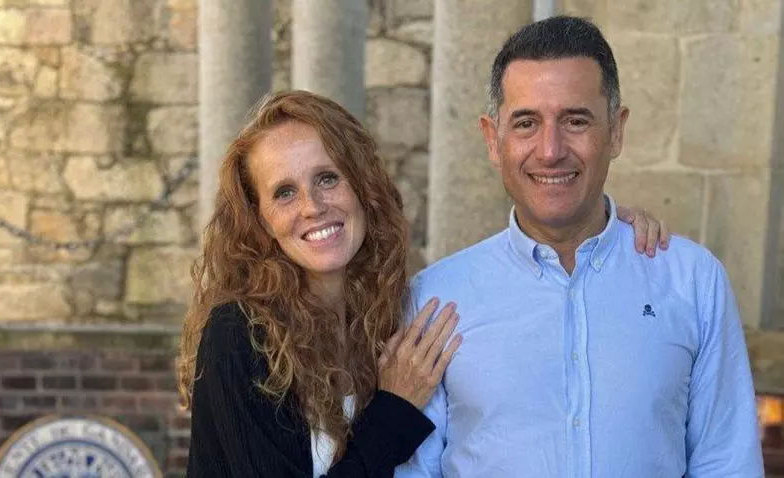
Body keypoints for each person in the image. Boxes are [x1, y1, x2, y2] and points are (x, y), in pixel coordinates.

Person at [176, 90, 669, 477]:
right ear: (260, 220)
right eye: (284, 192)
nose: (312, 206)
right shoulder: (241, 335)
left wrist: (601, 228)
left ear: (362, 186)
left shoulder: (384, 317)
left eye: (327, 178)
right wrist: (394, 410)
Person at [395, 16, 763, 478]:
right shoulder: (435, 298)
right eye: (526, 123)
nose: (551, 150)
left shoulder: (692, 281)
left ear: (616, 131)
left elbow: (726, 464)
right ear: (493, 139)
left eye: (575, 121)